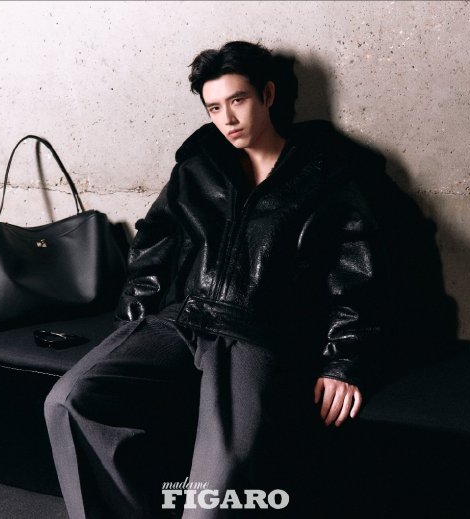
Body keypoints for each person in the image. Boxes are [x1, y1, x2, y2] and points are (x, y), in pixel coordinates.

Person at [45, 40, 387, 519]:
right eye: (214, 108)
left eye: (238, 100)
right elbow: (154, 240)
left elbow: (358, 272)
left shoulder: (327, 177)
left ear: (268, 95)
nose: (227, 119)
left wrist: (344, 361)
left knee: (214, 494)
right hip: (179, 319)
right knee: (68, 402)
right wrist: (135, 318)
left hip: (255, 333)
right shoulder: (198, 167)